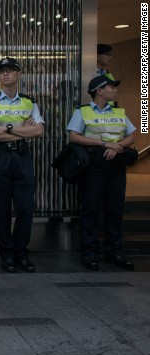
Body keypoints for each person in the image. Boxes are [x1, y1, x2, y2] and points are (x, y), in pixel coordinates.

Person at [0, 57, 45, 273]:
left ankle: (21, 251)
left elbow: (38, 131)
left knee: (26, 208)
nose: (5, 74)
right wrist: (19, 130)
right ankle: (6, 252)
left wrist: (5, 128)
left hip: (22, 158)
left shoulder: (29, 101)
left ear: (19, 74)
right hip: (0, 158)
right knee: (2, 209)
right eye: (1, 71)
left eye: (10, 70)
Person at [67, 75, 136, 271]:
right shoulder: (83, 112)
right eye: (111, 87)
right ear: (99, 90)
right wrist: (104, 144)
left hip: (116, 166)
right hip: (94, 166)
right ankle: (89, 252)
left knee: (115, 210)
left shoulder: (119, 112)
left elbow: (131, 135)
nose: (115, 90)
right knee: (90, 210)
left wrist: (118, 146)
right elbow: (73, 137)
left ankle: (114, 251)